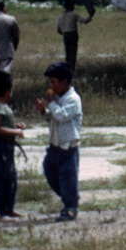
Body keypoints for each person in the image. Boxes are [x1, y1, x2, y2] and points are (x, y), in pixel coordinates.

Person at [37, 61, 83, 222]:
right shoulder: (56, 98)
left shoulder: (73, 99)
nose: (51, 86)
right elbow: (53, 117)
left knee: (67, 176)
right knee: (49, 170)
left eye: (53, 82)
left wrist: (52, 103)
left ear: (64, 82)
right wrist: (44, 110)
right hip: (55, 145)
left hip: (68, 147)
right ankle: (69, 197)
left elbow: (62, 116)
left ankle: (70, 207)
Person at [0, 72, 25, 221]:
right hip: (0, 147)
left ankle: (7, 209)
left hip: (5, 148)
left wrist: (16, 126)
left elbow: (3, 125)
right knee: (1, 178)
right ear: (7, 91)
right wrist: (16, 132)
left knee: (9, 178)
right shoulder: (0, 108)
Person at [56, 0, 93, 72]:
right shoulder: (73, 14)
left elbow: (58, 30)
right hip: (73, 34)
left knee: (67, 53)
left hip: (65, 35)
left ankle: (66, 69)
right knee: (73, 54)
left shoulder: (60, 16)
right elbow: (84, 21)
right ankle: (71, 70)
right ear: (70, 6)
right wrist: (90, 16)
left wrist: (64, 32)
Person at [0, 0, 21, 73]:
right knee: (4, 74)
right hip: (7, 51)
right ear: (4, 8)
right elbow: (16, 36)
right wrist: (14, 47)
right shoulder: (11, 19)